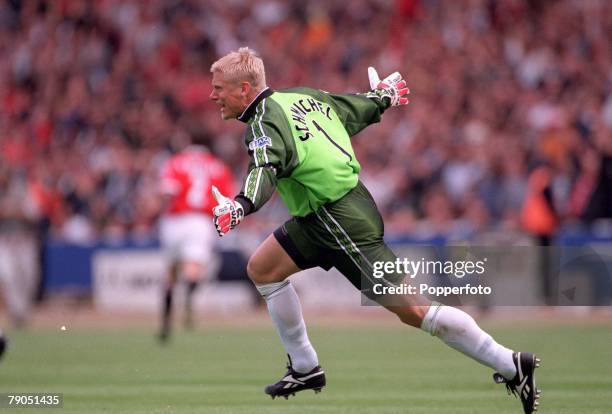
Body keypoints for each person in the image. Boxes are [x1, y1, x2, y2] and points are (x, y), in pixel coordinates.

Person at [208, 47, 540, 414]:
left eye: (219, 88)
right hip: (325, 214)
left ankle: (511, 364)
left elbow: (264, 170)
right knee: (263, 269)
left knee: (414, 310)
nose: (213, 95)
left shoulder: (263, 122)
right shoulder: (301, 97)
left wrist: (241, 205)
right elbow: (351, 110)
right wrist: (382, 98)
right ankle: (305, 367)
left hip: (337, 219)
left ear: (243, 89)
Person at [158, 132, 234, 342]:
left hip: (174, 219)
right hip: (200, 221)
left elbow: (167, 193)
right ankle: (189, 302)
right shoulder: (219, 167)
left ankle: (166, 321)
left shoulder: (175, 162)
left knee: (171, 272)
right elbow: (225, 202)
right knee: (193, 270)